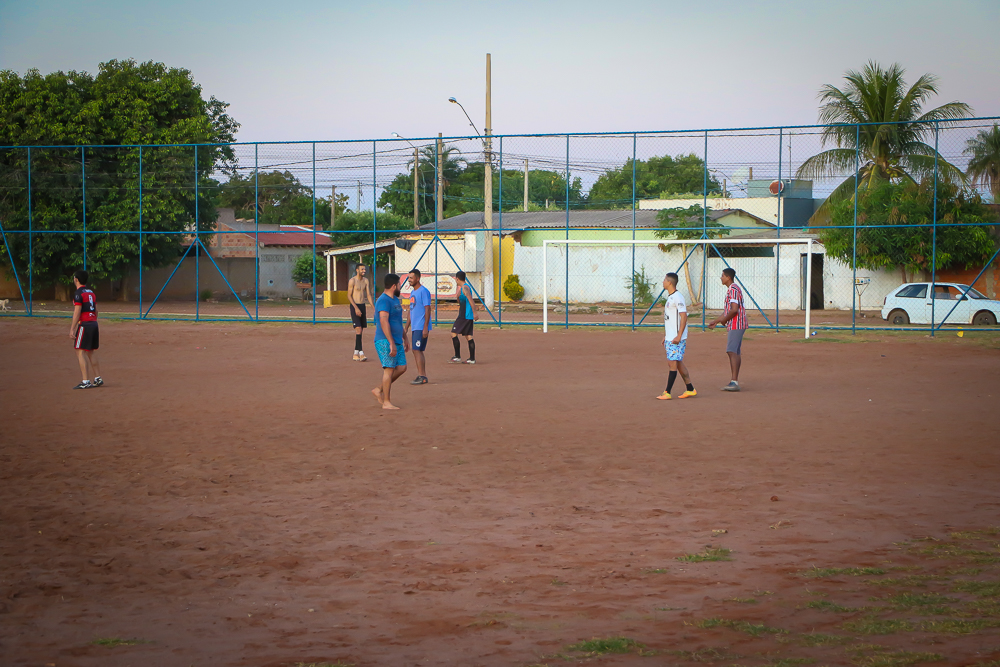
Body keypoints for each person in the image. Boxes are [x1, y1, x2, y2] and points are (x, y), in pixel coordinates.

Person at [371, 273, 409, 410]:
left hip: (397, 340)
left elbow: (398, 322)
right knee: (389, 369)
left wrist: (405, 338)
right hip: (385, 340)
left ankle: (378, 389)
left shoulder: (395, 300)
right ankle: (386, 402)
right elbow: (383, 321)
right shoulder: (383, 300)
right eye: (399, 284)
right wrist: (391, 342)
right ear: (394, 286)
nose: (400, 287)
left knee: (402, 367)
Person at [707, 267, 747, 391]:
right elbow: (729, 310)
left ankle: (734, 382)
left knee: (731, 351)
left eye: (723, 275)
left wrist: (724, 320)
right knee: (735, 351)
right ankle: (734, 381)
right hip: (736, 324)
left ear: (728, 277)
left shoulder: (733, 289)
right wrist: (717, 320)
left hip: (736, 324)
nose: (721, 278)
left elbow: (734, 309)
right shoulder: (733, 289)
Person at [657, 272, 696, 400]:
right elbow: (671, 319)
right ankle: (690, 389)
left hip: (676, 339)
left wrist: (679, 336)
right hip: (671, 337)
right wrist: (667, 335)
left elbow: (683, 316)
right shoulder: (670, 297)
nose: (663, 282)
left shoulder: (678, 297)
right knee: (678, 363)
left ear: (669, 282)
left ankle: (667, 392)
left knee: (672, 363)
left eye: (664, 279)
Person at [69, 269, 103, 390]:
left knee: (79, 351)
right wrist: (93, 320)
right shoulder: (91, 293)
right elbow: (96, 311)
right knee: (90, 351)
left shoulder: (78, 293)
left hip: (85, 324)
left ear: (76, 279)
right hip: (93, 323)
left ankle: (85, 381)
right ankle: (98, 378)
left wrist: (72, 328)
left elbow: (77, 311)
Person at [404, 269, 432, 384]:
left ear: (418, 278)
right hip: (415, 327)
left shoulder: (423, 291)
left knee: (417, 350)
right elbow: (411, 311)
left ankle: (422, 376)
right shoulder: (412, 293)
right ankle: (421, 375)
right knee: (416, 350)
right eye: (408, 278)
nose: (409, 280)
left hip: (421, 326)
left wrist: (425, 327)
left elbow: (427, 308)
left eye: (411, 278)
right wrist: (406, 327)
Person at [449, 270, 478, 364]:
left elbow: (471, 300)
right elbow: (461, 301)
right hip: (464, 315)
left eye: (456, 279)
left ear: (457, 279)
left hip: (464, 316)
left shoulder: (465, 288)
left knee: (453, 333)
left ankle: (457, 356)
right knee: (468, 336)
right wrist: (458, 297)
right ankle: (472, 359)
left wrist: (475, 313)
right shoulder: (462, 289)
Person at [348, 264, 374, 362]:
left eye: (365, 269)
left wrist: (373, 307)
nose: (364, 270)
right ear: (357, 270)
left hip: (362, 306)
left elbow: (368, 295)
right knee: (358, 329)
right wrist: (355, 308)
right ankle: (361, 352)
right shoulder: (352, 281)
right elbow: (349, 295)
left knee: (361, 330)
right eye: (362, 269)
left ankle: (355, 352)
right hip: (355, 306)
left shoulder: (366, 281)